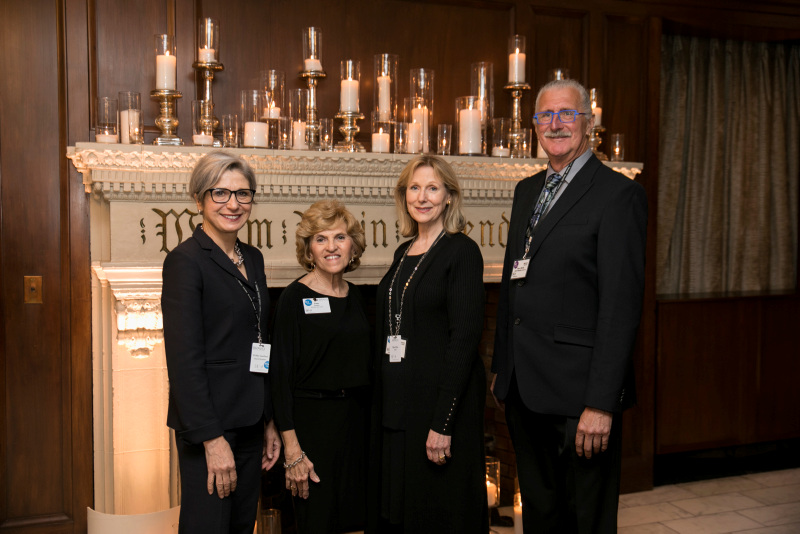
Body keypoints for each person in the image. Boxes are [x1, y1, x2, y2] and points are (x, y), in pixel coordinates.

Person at [491, 79, 648, 533]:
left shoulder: (618, 195)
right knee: (541, 516)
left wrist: (602, 403)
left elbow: (620, 308)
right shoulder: (526, 191)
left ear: (588, 123)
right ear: (534, 125)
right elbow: (512, 280)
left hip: (580, 400)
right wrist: (504, 370)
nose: (555, 124)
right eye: (545, 115)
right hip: (525, 389)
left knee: (586, 521)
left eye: (566, 114)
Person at [367, 155, 489, 533]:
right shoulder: (403, 253)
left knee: (439, 513)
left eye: (432, 188)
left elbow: (465, 340)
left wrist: (443, 422)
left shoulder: (462, 251)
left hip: (439, 405)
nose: (422, 197)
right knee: (404, 513)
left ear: (449, 196)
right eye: (414, 188)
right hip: (403, 406)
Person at [162, 151, 281, 534]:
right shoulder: (186, 261)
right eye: (220, 193)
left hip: (250, 422)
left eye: (243, 194)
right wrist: (212, 440)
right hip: (211, 428)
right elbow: (184, 362)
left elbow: (258, 338)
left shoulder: (254, 258)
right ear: (199, 200)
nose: (233, 204)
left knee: (241, 527)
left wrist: (268, 421)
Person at [270, 200, 371, 534]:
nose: (331, 247)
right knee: (317, 522)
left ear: (352, 245)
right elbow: (280, 378)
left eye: (340, 237)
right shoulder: (293, 299)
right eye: (321, 238)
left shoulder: (358, 298)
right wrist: (293, 449)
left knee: (356, 523)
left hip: (356, 426)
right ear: (308, 249)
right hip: (311, 429)